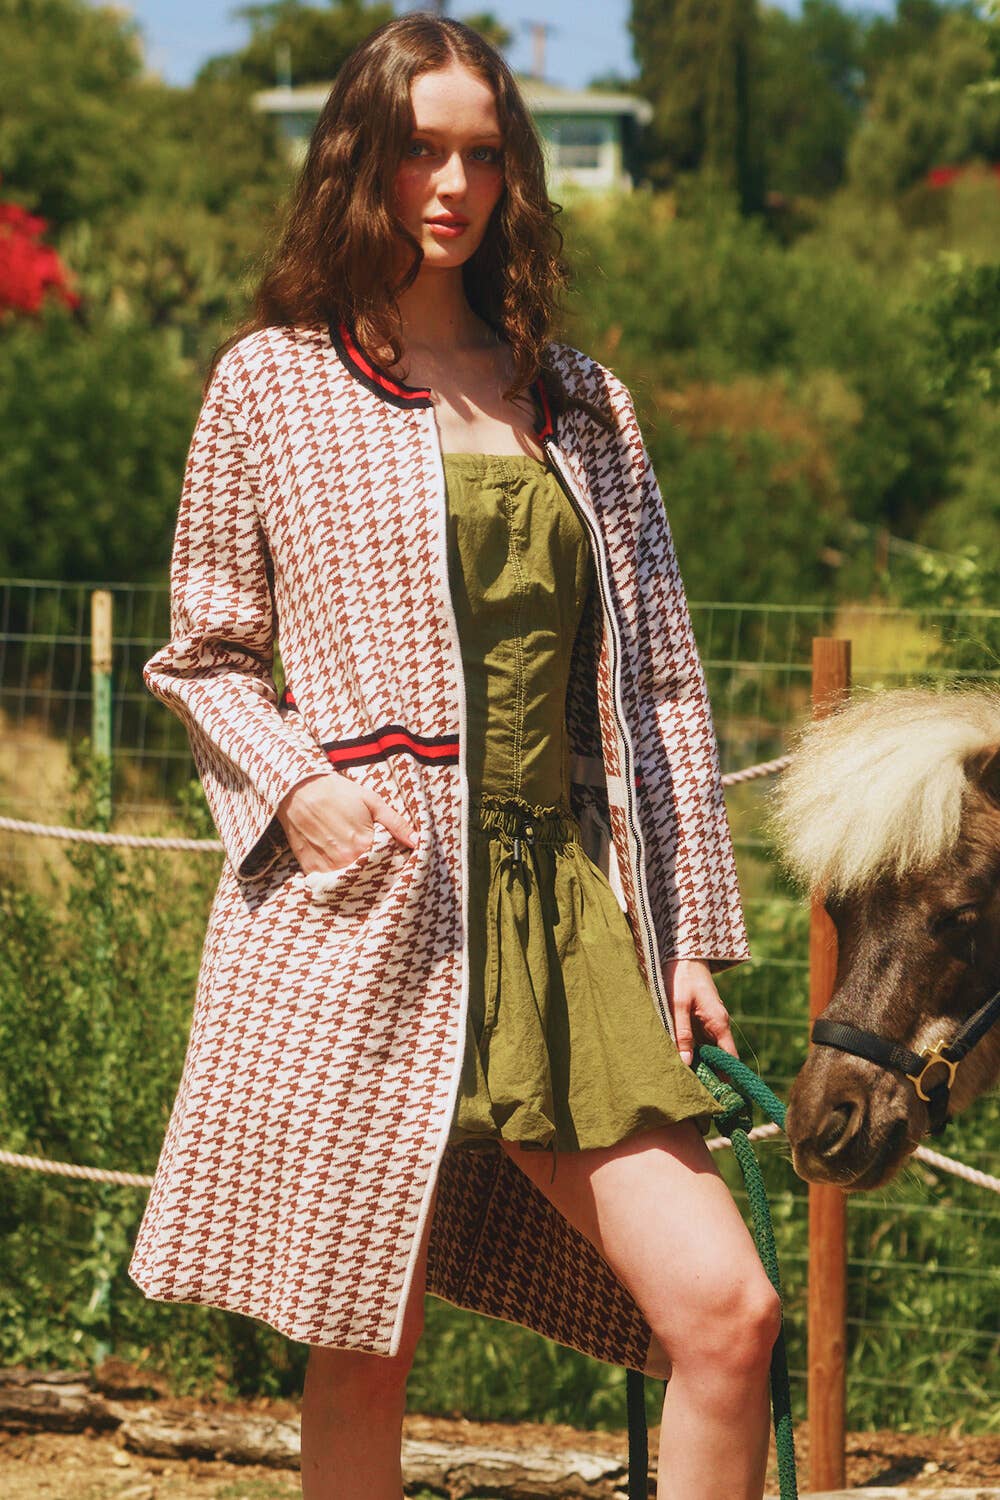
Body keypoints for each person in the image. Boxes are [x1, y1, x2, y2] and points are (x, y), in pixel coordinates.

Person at [128, 15, 781, 1500]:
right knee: (368, 1343)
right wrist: (300, 788)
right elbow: (203, 656)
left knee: (728, 1317)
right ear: (358, 159)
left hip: (566, 915)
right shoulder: (271, 385)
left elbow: (662, 684)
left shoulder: (584, 402)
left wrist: (687, 935)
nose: (453, 186)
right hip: (376, 913)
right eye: (420, 149)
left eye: (483, 155)